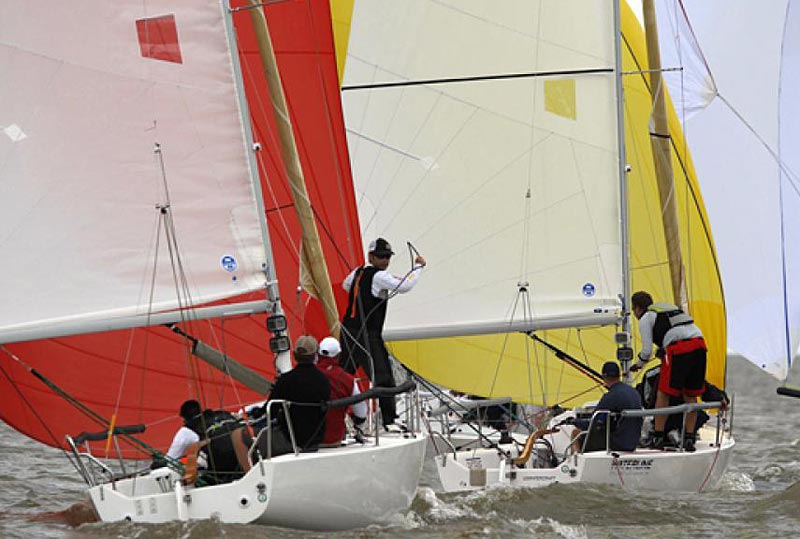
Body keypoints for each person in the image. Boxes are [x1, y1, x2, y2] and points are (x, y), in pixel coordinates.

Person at [340, 237, 425, 429]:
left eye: (387, 256)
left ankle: (333, 418)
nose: (385, 260)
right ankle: (389, 420)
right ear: (371, 256)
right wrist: (418, 268)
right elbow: (405, 286)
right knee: (383, 376)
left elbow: (346, 286)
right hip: (368, 334)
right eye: (381, 257)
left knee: (342, 376)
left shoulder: (357, 272)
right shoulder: (379, 276)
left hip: (348, 331)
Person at [630, 290, 707, 451]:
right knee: (690, 395)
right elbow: (675, 331)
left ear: (637, 308)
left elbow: (646, 351)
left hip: (679, 349)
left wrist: (638, 364)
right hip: (699, 344)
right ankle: (689, 438)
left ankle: (657, 437)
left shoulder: (645, 317)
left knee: (663, 393)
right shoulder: (667, 309)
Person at [257, 335, 331, 457]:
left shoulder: (286, 380)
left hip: (289, 439)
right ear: (315, 355)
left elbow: (271, 411)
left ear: (295, 356)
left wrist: (256, 413)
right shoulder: (324, 380)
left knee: (241, 437)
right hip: (316, 439)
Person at [636, 364, 729, 446]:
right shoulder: (689, 375)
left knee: (699, 414)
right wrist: (721, 397)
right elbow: (706, 391)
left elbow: (643, 397)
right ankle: (681, 433)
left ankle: (661, 434)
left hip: (655, 420)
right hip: (675, 418)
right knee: (700, 415)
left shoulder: (651, 374)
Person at [571, 361, 643, 452]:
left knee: (576, 433)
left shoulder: (611, 396)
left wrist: (574, 421)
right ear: (619, 375)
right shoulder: (634, 392)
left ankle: (576, 461)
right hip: (633, 443)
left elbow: (594, 422)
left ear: (604, 377)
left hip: (617, 444)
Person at [317, 337, 368, 445]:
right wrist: (358, 427)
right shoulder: (348, 380)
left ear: (318, 354)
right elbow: (361, 413)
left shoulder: (306, 374)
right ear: (339, 355)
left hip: (304, 440)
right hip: (334, 439)